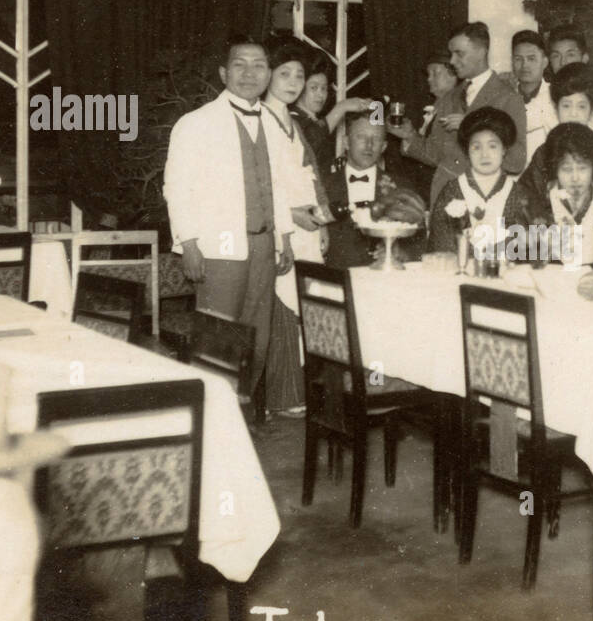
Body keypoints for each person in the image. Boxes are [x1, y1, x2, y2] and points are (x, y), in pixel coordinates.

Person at [163, 34, 294, 396]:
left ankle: (243, 412)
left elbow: (279, 185)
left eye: (259, 65)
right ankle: (213, 419)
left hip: (265, 245)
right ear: (224, 73)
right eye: (240, 65)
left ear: (268, 74)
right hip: (218, 249)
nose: (249, 73)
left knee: (257, 335)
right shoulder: (195, 123)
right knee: (217, 336)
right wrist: (188, 244)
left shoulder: (272, 123)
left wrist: (283, 238)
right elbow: (176, 187)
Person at [262, 36, 334, 415]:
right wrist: (287, 221)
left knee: (305, 306)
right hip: (282, 228)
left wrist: (322, 223)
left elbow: (312, 173)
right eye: (284, 73)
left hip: (308, 226)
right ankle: (284, 396)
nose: (292, 82)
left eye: (299, 75)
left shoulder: (292, 122)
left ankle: (303, 388)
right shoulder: (259, 119)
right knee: (284, 309)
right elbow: (262, 185)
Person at [395, 21, 527, 204]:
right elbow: (436, 154)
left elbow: (516, 161)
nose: (452, 61)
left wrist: (474, 126)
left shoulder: (509, 99)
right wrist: (409, 136)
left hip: (485, 201)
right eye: (451, 54)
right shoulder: (448, 98)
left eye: (459, 54)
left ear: (481, 52)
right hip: (444, 198)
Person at [502, 122, 593, 272]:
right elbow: (515, 260)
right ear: (554, 169)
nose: (575, 177)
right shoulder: (532, 207)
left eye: (582, 168)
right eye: (566, 169)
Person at [322, 110, 425, 269]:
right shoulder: (322, 186)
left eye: (376, 139)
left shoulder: (402, 187)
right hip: (336, 280)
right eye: (361, 137)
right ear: (346, 142)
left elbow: (419, 242)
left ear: (384, 146)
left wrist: (401, 252)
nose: (369, 145)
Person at [511, 61, 593, 214]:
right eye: (566, 106)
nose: (573, 113)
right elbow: (525, 196)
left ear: (591, 110)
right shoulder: (545, 152)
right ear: (556, 108)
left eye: (581, 106)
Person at [427, 107, 519, 256]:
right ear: (467, 151)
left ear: (504, 149)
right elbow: (441, 244)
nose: (484, 155)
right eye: (476, 147)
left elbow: (525, 245)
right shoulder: (452, 191)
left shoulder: (518, 193)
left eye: (492, 146)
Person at [290, 49, 373, 178]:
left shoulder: (316, 122)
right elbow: (310, 140)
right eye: (314, 88)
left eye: (324, 88)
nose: (320, 94)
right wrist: (341, 107)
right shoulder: (292, 117)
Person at [511, 30, 557, 163]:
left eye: (531, 58)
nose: (524, 65)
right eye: (518, 59)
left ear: (545, 62)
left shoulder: (554, 96)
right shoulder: (504, 96)